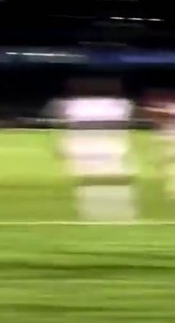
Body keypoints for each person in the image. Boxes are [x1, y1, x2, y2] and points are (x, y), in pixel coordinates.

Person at [52, 78, 138, 221]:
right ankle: (116, 212)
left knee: (97, 180)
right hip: (106, 148)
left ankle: (103, 212)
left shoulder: (74, 105)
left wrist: (64, 147)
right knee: (103, 180)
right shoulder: (120, 105)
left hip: (96, 148)